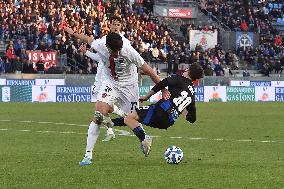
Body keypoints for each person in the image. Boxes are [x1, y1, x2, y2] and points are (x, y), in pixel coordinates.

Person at [68, 32, 170, 166]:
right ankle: (88, 155)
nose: (117, 54)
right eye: (114, 51)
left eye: (118, 51)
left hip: (129, 87)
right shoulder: (100, 45)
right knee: (99, 113)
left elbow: (150, 71)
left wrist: (163, 89)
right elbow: (87, 38)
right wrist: (73, 33)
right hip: (111, 83)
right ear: (107, 47)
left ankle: (144, 138)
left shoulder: (129, 51)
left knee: (131, 118)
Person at [65, 16, 131, 142]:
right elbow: (98, 56)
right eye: (113, 24)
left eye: (118, 24)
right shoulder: (104, 40)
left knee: (100, 107)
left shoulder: (124, 42)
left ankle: (116, 125)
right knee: (104, 106)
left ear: (121, 27)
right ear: (110, 25)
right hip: (101, 77)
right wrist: (86, 52)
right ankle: (117, 121)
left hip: (112, 81)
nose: (116, 27)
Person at [124, 63, 204, 157]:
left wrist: (146, 97)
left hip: (160, 111)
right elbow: (192, 119)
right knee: (134, 118)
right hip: (168, 122)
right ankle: (109, 122)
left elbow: (161, 84)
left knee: (129, 118)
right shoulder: (192, 94)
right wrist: (181, 110)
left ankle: (144, 138)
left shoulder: (178, 78)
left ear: (187, 70)